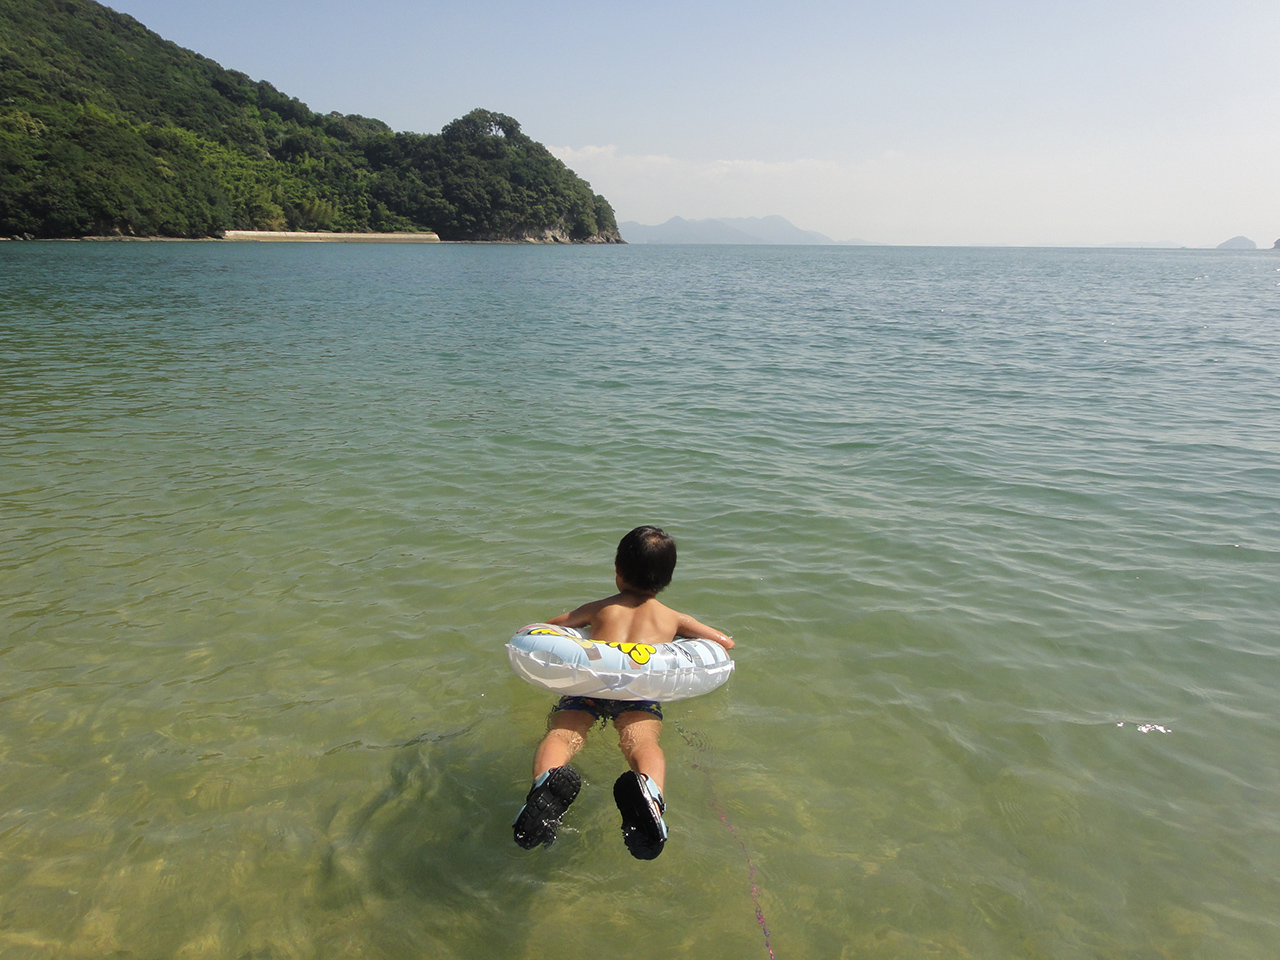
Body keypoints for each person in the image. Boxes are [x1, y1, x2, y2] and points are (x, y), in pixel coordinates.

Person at [512, 525, 734, 859]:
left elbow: (552, 626)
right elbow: (724, 642)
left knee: (563, 733)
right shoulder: (673, 617)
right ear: (667, 578)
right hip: (640, 691)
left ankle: (546, 782)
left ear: (617, 570)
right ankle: (650, 794)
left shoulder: (601, 608)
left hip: (590, 686)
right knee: (642, 742)